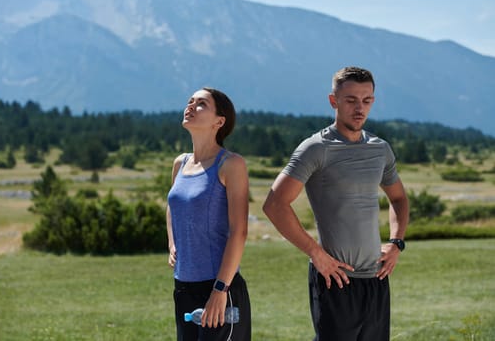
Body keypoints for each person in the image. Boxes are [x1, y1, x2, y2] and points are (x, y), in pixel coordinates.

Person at [263, 66, 409, 341]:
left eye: (366, 101)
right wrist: (315, 253)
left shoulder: (380, 149)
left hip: (376, 280)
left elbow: (399, 199)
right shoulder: (316, 148)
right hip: (335, 280)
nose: (359, 108)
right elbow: (274, 204)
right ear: (334, 101)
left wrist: (396, 242)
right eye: (351, 100)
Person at [166, 87, 251, 341]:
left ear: (219, 121)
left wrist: (220, 289)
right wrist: (172, 241)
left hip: (218, 287)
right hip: (183, 286)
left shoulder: (231, 165)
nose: (190, 106)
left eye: (201, 103)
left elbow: (239, 232)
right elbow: (172, 204)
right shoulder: (180, 163)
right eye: (190, 101)